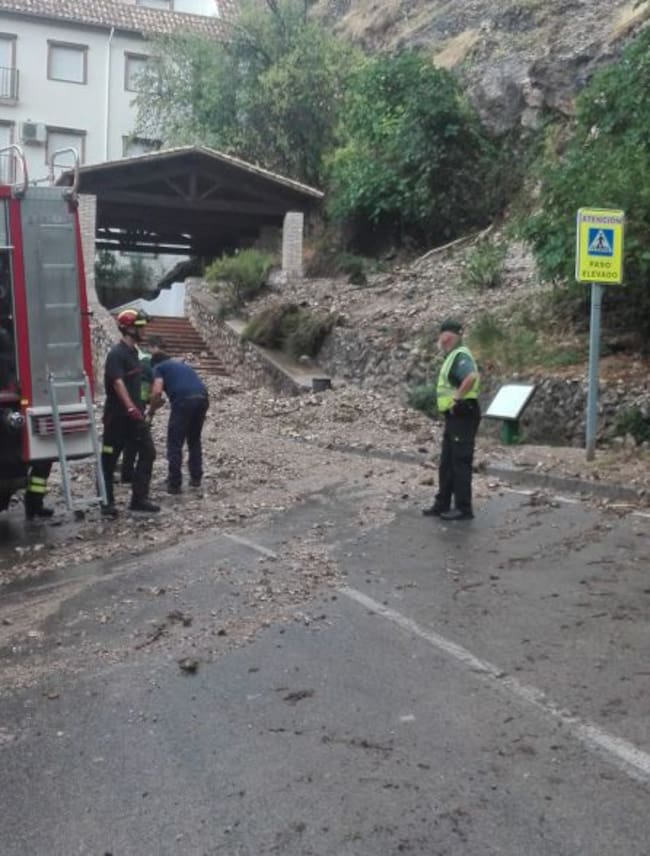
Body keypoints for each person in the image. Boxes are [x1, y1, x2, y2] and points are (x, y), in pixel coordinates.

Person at [101, 308, 159, 517]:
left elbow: (138, 384)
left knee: (148, 452)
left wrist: (145, 404)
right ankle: (107, 503)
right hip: (117, 418)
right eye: (140, 327)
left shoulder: (135, 354)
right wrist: (130, 407)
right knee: (108, 460)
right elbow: (117, 382)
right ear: (127, 328)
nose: (143, 330)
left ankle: (139, 498)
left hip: (135, 418)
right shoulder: (116, 354)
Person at [423, 318, 481, 521]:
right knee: (447, 462)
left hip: (463, 413)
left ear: (446, 336)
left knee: (459, 462)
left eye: (441, 336)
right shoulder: (452, 356)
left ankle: (464, 509)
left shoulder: (460, 355)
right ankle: (442, 504)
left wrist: (456, 398)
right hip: (455, 415)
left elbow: (471, 377)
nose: (440, 340)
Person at [148, 347, 209, 494]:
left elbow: (157, 392)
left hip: (183, 401)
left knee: (174, 443)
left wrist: (150, 412)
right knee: (194, 439)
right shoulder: (182, 365)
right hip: (202, 398)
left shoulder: (159, 367)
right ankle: (196, 478)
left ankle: (174, 483)